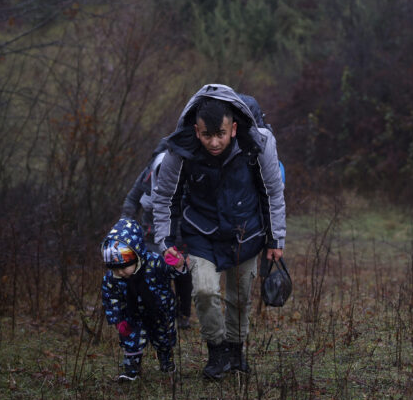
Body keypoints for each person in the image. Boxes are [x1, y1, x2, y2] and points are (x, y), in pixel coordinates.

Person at [151, 85, 286, 379]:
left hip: (246, 231)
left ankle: (235, 351)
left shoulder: (258, 143)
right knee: (204, 291)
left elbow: (272, 192)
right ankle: (217, 351)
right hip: (200, 232)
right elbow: (165, 198)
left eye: (221, 134)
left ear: (233, 128)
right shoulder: (179, 149)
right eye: (207, 135)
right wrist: (165, 242)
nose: (214, 142)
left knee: (240, 297)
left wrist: (275, 239)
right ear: (196, 131)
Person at [101, 217, 187, 382]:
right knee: (131, 338)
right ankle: (131, 369)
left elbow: (172, 273)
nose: (119, 273)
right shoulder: (112, 279)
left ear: (136, 254)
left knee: (164, 338)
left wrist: (177, 265)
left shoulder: (154, 262)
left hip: (160, 311)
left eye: (123, 268)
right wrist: (118, 319)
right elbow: (110, 299)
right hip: (131, 314)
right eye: (114, 269)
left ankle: (166, 361)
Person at [122, 139, 194, 330]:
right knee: (154, 275)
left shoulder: (188, 174)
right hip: (150, 233)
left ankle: (183, 314)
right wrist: (125, 225)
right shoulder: (148, 173)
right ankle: (160, 314)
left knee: (182, 275)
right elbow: (132, 199)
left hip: (180, 234)